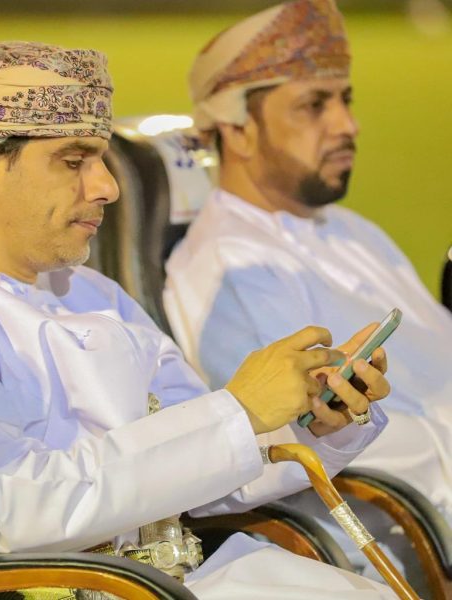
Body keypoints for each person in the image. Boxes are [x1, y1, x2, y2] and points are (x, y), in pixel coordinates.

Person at [0, 41, 395, 599]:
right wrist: (238, 411)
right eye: (74, 162)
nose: (107, 187)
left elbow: (206, 469)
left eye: (101, 160)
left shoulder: (90, 292)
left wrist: (310, 420)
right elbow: (11, 510)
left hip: (177, 579)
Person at [163, 0, 452, 579]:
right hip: (400, 546)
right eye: (314, 105)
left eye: (345, 100)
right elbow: (293, 445)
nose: (347, 125)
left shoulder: (350, 230)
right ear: (238, 130)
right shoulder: (228, 268)